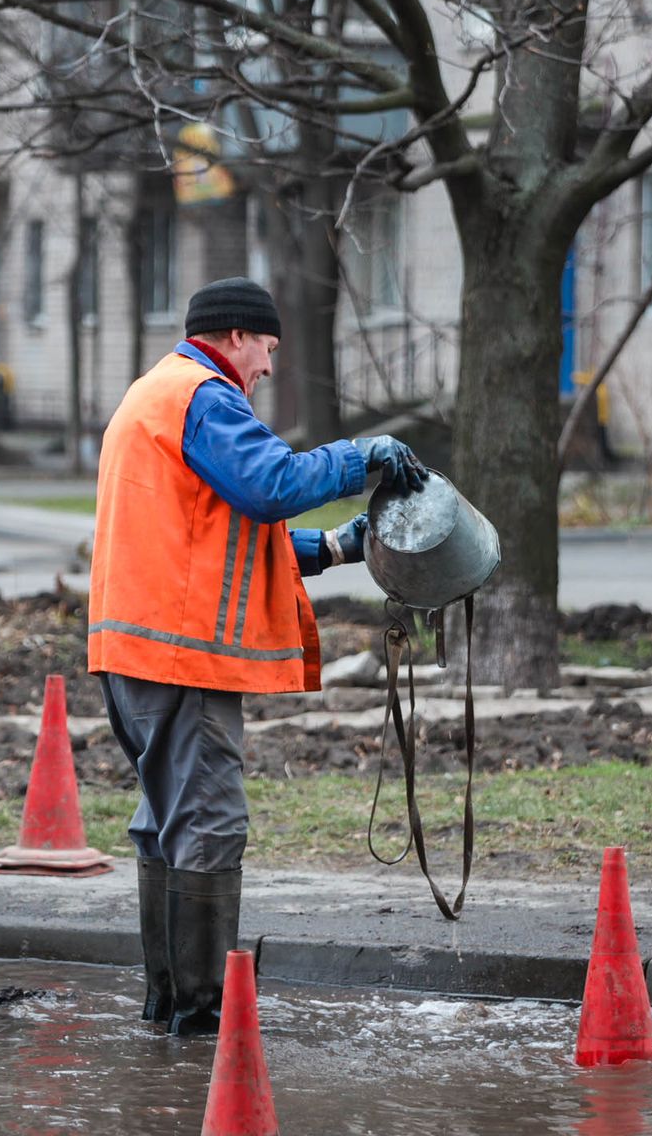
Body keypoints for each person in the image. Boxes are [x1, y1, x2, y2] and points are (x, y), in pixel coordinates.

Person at [88, 275, 427, 1036]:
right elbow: (270, 484)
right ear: (236, 336)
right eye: (267, 349)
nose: (269, 367)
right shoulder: (205, 395)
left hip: (133, 652)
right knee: (209, 826)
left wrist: (337, 548)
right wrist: (361, 456)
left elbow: (214, 529)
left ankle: (165, 1012)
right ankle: (203, 1029)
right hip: (183, 659)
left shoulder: (154, 393)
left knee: (168, 825)